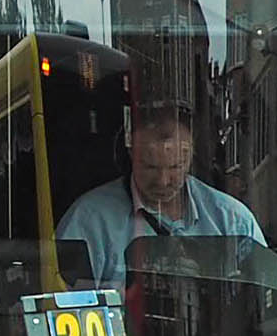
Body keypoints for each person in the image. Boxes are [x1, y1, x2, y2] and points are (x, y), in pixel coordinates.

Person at [58, 102, 264, 285]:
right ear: (130, 154)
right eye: (150, 167)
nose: (163, 180)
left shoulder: (234, 221)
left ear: (191, 156)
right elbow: (65, 305)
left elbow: (265, 301)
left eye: (176, 167)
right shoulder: (88, 221)